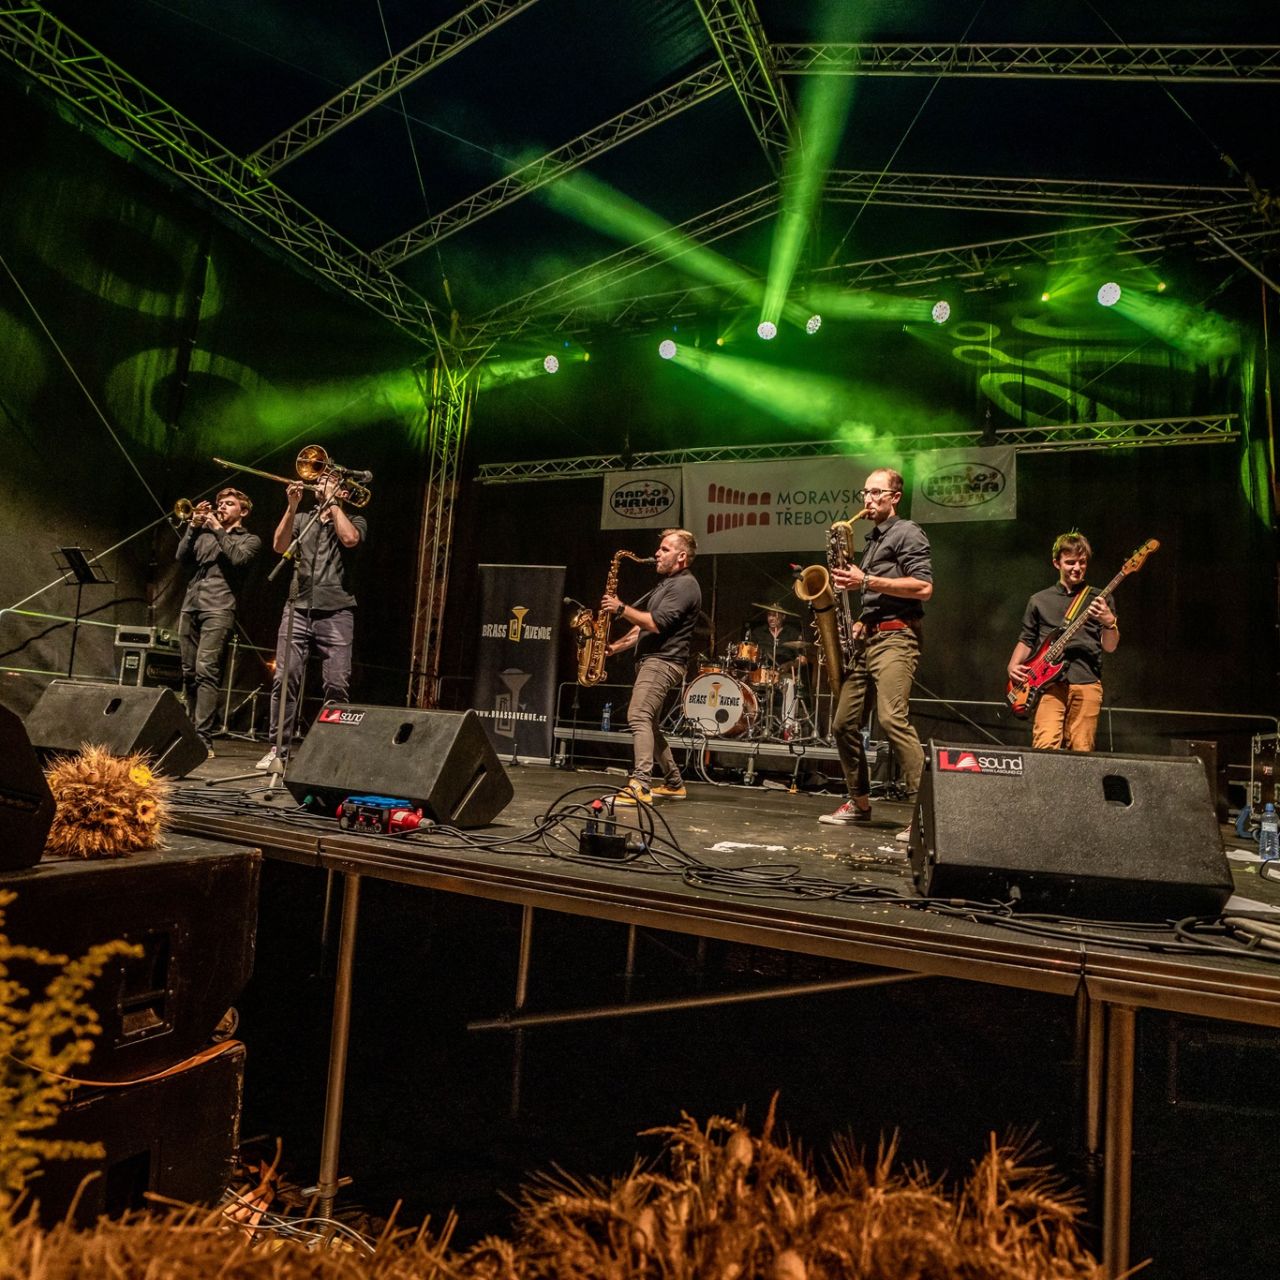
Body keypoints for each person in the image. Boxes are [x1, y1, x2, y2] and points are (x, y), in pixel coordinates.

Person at [821, 468, 933, 841]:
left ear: (895, 497)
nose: (868, 499)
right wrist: (860, 621)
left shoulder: (907, 532)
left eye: (876, 492)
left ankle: (925, 815)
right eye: (865, 493)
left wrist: (865, 580)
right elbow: (877, 596)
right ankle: (859, 803)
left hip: (897, 638)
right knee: (843, 724)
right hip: (869, 640)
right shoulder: (873, 540)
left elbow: (923, 587)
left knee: (892, 719)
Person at [256, 471, 366, 769]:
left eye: (329, 480)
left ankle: (330, 752)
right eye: (321, 479)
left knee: (336, 682)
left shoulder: (355, 519)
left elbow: (350, 539)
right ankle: (278, 749)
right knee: (285, 678)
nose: (320, 482)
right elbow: (279, 546)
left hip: (337, 611)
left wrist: (333, 504)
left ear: (343, 491)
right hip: (298, 608)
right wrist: (291, 507)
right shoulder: (304, 519)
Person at [601, 528, 702, 805]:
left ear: (681, 556)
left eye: (665, 549)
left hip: (663, 661)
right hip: (655, 660)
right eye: (659, 548)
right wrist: (614, 648)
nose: (657, 553)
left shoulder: (685, 585)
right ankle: (674, 783)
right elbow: (642, 627)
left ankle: (641, 785)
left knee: (638, 715)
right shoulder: (667, 584)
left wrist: (620, 608)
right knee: (650, 725)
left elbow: (655, 624)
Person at [1007, 531, 1118, 752]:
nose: (1077, 568)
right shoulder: (1039, 600)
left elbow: (1110, 646)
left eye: (1082, 562)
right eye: (1070, 562)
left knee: (1081, 750)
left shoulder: (1100, 599)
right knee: (1044, 746)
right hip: (1048, 684)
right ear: (1056, 563)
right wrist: (1012, 666)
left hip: (1086, 681)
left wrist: (1109, 622)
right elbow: (1026, 638)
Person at [175, 487, 261, 758]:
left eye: (229, 504)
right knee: (188, 672)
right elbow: (181, 557)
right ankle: (187, 734)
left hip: (219, 608)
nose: (221, 507)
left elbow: (238, 559)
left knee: (206, 670)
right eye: (220, 503)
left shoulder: (250, 540)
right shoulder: (203, 534)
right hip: (191, 604)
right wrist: (193, 526)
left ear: (243, 511)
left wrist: (217, 529)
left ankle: (203, 739)